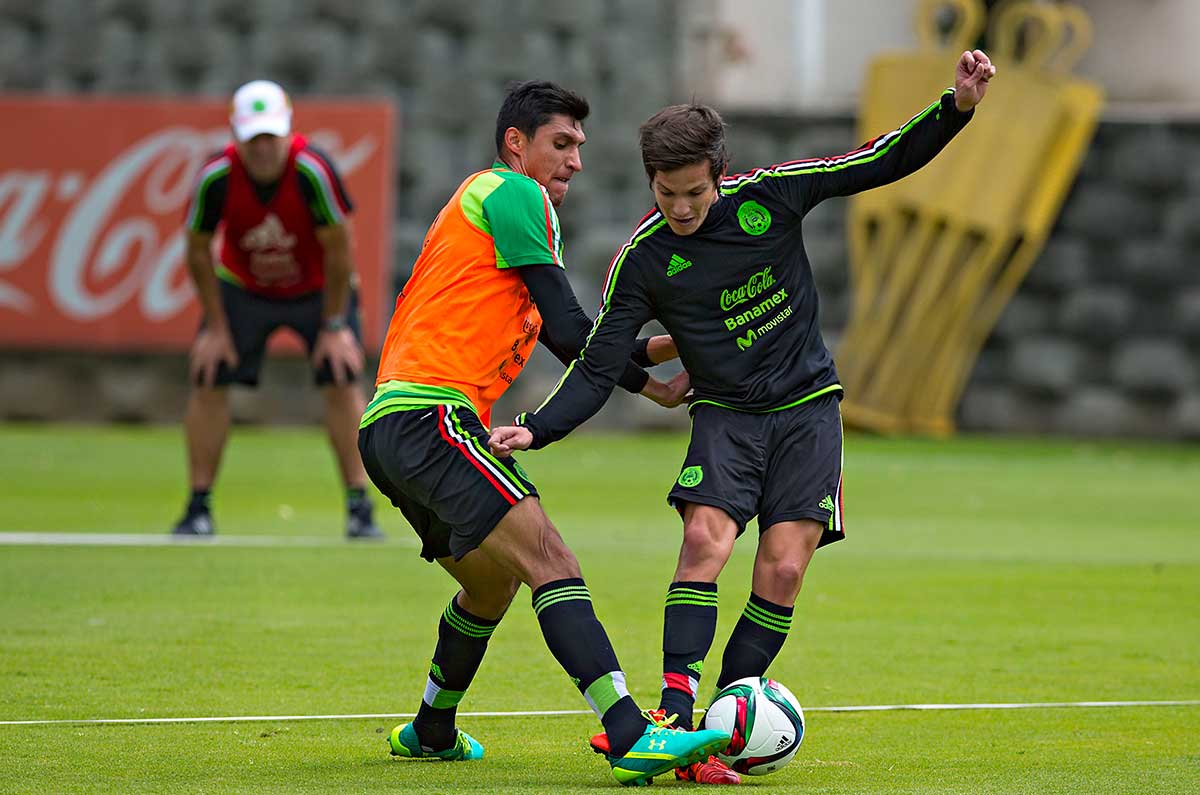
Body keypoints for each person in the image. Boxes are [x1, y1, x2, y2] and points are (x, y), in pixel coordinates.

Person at [489, 51, 997, 784]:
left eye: (695, 192)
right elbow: (599, 362)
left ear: (720, 174)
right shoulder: (643, 260)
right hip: (727, 416)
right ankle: (675, 716)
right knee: (704, 540)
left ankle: (725, 719)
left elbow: (877, 162)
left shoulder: (774, 196)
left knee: (784, 566)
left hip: (807, 409)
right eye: (667, 193)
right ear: (651, 181)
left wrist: (956, 107)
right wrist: (539, 426)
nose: (682, 208)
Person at [355, 80, 726, 786]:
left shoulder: (497, 226)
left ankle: (431, 728)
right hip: (432, 419)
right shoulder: (515, 192)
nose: (575, 161)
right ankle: (630, 733)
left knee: (491, 585)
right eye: (561, 143)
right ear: (515, 144)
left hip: (390, 428)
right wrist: (663, 356)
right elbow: (573, 328)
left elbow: (573, 339)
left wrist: (656, 370)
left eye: (579, 147)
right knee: (550, 557)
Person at [171, 79, 382, 540]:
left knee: (342, 375)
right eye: (253, 139)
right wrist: (215, 328)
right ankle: (197, 507)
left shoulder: (312, 171)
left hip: (318, 288)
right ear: (236, 136)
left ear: (288, 132)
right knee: (209, 375)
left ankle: (360, 507)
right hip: (244, 287)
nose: (263, 149)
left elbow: (340, 249)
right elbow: (197, 249)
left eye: (271, 137)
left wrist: (334, 325)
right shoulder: (216, 177)